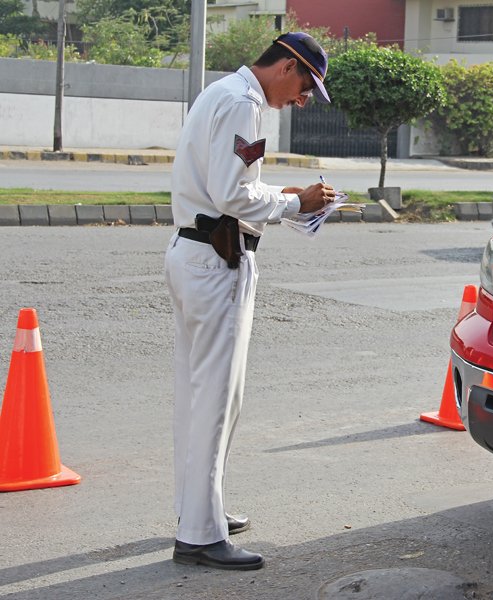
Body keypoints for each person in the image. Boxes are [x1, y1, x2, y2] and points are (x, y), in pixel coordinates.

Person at [164, 31, 336, 571]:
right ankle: (198, 534)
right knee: (217, 399)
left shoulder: (222, 93)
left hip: (194, 254)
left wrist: (282, 200)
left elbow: (226, 185)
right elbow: (231, 193)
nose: (303, 99)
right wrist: (295, 200)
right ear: (287, 66)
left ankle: (199, 510)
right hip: (216, 262)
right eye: (306, 86)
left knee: (197, 395)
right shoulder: (244, 104)